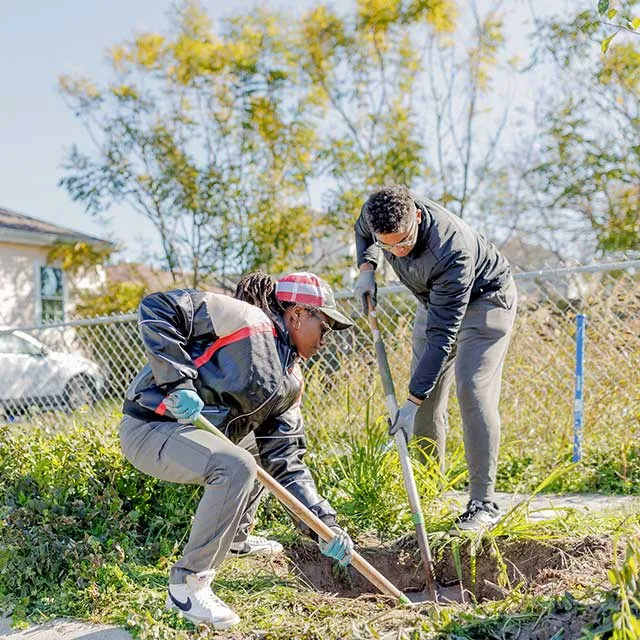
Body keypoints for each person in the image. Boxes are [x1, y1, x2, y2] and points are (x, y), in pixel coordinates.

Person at [119, 271, 355, 629]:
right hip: (152, 426)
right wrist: (178, 382)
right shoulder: (245, 320)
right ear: (297, 315)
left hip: (195, 438)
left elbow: (286, 462)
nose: (326, 340)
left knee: (255, 455)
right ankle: (187, 586)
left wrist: (323, 525)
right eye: (324, 327)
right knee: (237, 465)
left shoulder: (291, 382)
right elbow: (159, 306)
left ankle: (237, 540)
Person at [354, 184, 517, 534]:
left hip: (485, 299)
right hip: (434, 302)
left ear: (417, 215)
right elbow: (362, 230)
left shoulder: (450, 249)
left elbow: (442, 337)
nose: (398, 250)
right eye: (388, 244)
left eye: (404, 240)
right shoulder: (379, 212)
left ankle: (483, 504)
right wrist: (367, 269)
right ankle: (429, 492)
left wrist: (409, 402)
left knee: (471, 388)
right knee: (425, 402)